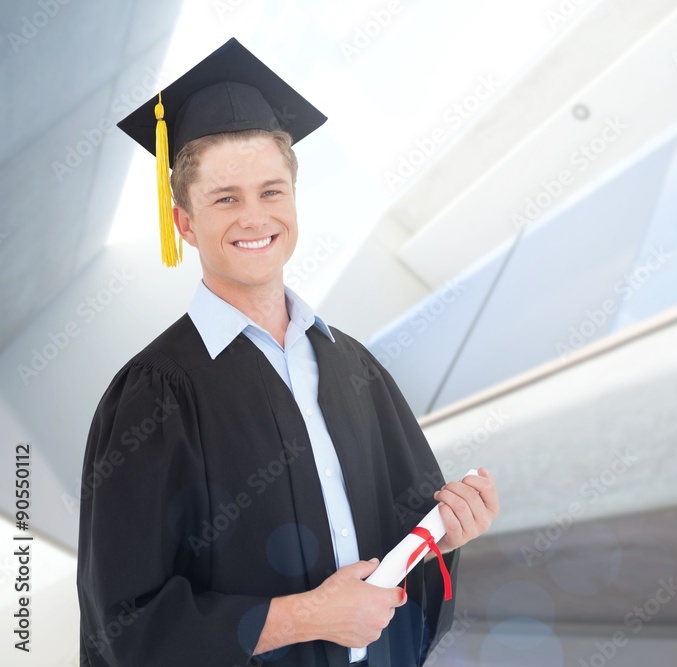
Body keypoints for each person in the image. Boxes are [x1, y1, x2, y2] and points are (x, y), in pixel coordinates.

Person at [76, 38, 499, 667]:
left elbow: (406, 543)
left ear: (294, 201)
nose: (255, 217)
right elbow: (123, 624)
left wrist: (449, 533)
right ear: (183, 222)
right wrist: (303, 617)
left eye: (271, 192)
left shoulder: (355, 368)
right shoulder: (155, 393)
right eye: (225, 198)